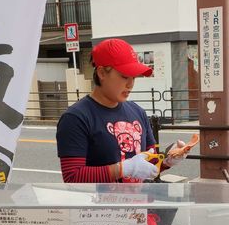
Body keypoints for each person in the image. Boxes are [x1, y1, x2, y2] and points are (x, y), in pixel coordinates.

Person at [56, 38, 188, 184]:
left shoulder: (138, 112)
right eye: (124, 76)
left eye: (133, 77)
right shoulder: (76, 117)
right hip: (100, 205)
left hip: (139, 204)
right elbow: (72, 177)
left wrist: (168, 160)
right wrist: (123, 169)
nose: (130, 84)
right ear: (101, 73)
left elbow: (149, 164)